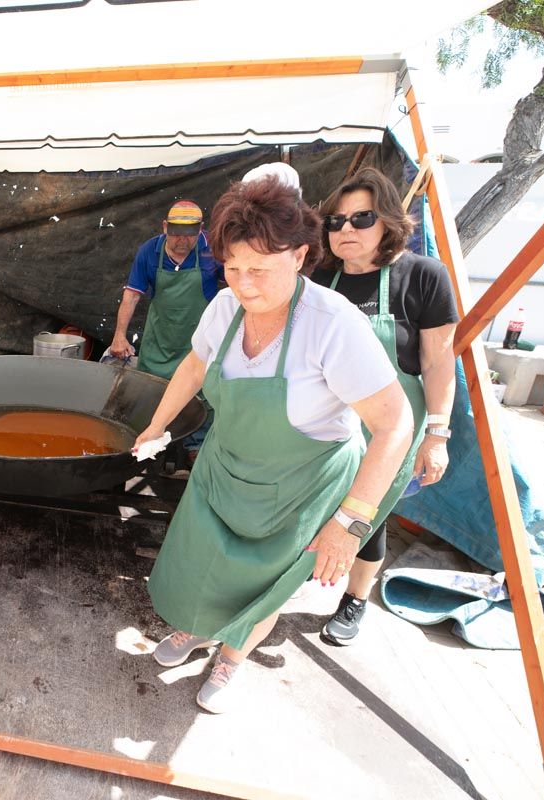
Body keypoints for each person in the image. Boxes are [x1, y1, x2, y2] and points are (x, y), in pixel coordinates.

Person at [133, 176, 412, 713]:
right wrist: (157, 425)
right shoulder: (222, 307)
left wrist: (350, 521)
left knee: (264, 582)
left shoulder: (333, 325)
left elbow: (394, 423)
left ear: (300, 254)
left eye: (259, 269)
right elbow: (195, 365)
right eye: (233, 268)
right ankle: (197, 630)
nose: (245, 284)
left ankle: (232, 657)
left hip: (302, 483)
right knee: (204, 565)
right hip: (226, 466)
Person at [312, 167, 458, 646]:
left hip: (386, 428)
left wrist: (438, 434)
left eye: (361, 219)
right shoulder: (318, 276)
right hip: (322, 420)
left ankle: (355, 597)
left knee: (365, 515)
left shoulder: (423, 276)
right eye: (335, 222)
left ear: (390, 222)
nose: (346, 230)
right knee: (309, 506)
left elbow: (437, 363)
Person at [110, 200, 223, 377]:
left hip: (199, 350)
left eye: (189, 234)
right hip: (157, 348)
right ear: (165, 227)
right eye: (177, 233)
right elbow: (131, 296)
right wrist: (119, 335)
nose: (183, 240)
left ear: (200, 228)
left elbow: (236, 288)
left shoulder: (213, 248)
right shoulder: (149, 251)